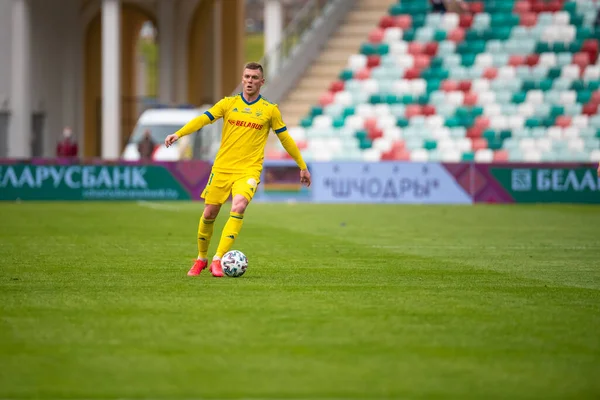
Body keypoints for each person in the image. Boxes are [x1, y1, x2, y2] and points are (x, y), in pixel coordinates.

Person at [164, 62, 311, 277]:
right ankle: (201, 258)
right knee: (209, 213)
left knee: (239, 205)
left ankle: (218, 259)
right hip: (223, 168)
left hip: (249, 170)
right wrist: (179, 134)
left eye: (254, 77)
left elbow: (285, 139)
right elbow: (203, 119)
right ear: (242, 79)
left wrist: (302, 166)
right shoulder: (228, 104)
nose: (250, 81)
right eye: (247, 77)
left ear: (262, 82)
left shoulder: (270, 110)